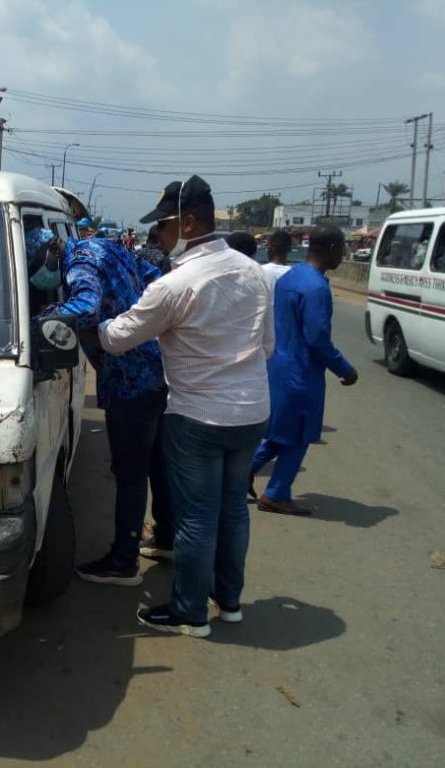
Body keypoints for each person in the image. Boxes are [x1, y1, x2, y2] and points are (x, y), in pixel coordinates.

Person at [98, 175, 273, 638]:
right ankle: (228, 600)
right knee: (233, 508)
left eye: (164, 226)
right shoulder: (252, 272)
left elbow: (117, 340)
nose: (159, 236)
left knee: (196, 516)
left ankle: (190, 612)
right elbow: (267, 346)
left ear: (188, 222)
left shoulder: (176, 284)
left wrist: (90, 317)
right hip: (252, 410)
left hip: (197, 415)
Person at [41, 223, 174, 585]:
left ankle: (123, 561)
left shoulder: (79, 261)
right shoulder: (111, 248)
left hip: (127, 376)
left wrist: (38, 319)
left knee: (130, 474)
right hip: (152, 365)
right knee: (157, 464)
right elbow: (152, 273)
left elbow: (84, 307)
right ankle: (166, 538)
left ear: (52, 253)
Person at [251, 225, 358, 515]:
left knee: (279, 433)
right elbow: (317, 339)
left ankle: (240, 475)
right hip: (301, 372)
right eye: (343, 248)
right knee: (297, 435)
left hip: (278, 365)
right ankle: (276, 493)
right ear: (333, 248)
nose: (344, 254)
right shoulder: (316, 288)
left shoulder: (292, 276)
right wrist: (345, 369)